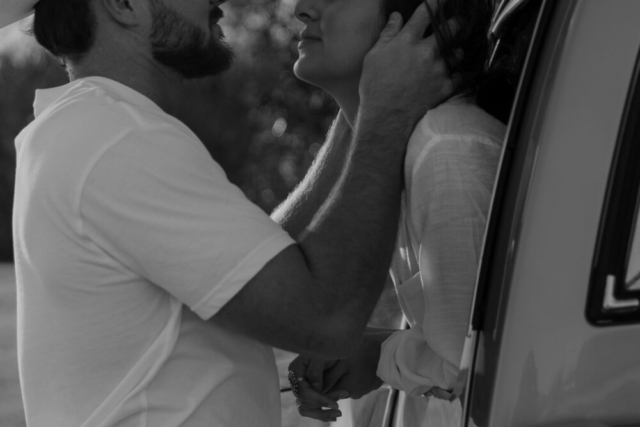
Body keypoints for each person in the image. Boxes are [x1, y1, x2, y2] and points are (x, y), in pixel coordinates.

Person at [5, 0, 458, 425]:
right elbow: (325, 317)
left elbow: (253, 265)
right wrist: (386, 115)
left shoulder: (84, 129)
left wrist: (360, 106)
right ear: (121, 3)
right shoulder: (118, 140)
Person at [287, 0, 514, 425]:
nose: (301, 8)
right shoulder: (411, 150)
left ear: (415, 20)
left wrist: (380, 354)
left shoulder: (446, 151)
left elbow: (476, 371)